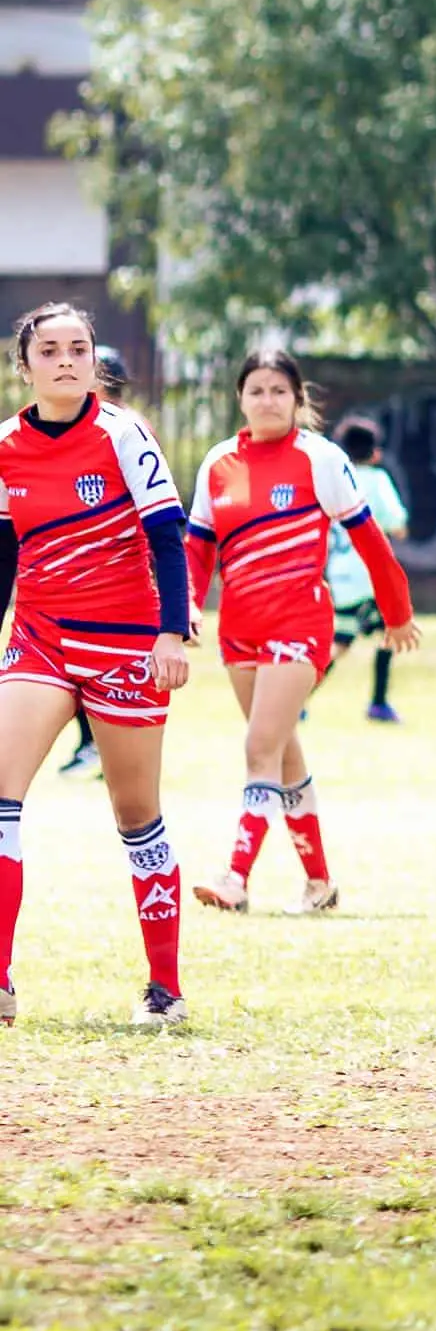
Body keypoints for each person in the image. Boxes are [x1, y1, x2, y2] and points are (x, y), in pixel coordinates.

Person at [0, 304, 193, 1026]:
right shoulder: (6, 446)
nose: (66, 361)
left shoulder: (123, 432)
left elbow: (168, 537)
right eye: (49, 350)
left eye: (77, 348)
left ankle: (165, 988)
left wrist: (170, 634)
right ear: (26, 366)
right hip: (42, 636)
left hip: (125, 643)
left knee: (136, 813)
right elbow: (3, 554)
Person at [185, 350, 420, 915]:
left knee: (259, 747)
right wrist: (187, 607)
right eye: (257, 390)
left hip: (299, 623)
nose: (268, 401)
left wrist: (397, 611)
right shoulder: (218, 462)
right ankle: (319, 885)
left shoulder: (320, 458)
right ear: (240, 398)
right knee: (282, 751)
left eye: (279, 391)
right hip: (238, 628)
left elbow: (370, 541)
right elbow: (197, 547)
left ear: (297, 400)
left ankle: (235, 878)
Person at [53, 344, 135, 780]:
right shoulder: (79, 427)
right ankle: (93, 746)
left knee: (96, 667)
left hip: (112, 574)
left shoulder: (127, 430)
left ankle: (100, 747)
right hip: (76, 570)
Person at [324, 415, 413, 723]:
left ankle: (298, 701)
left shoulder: (333, 480)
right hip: (369, 577)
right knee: (389, 630)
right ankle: (378, 702)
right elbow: (397, 523)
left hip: (339, 576)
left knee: (342, 640)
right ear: (375, 452)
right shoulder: (375, 480)